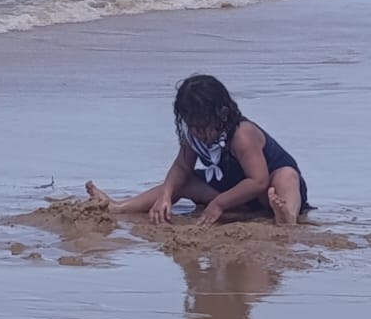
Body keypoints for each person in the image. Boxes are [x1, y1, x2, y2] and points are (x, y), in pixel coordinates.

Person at [84, 73, 307, 227]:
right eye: (192, 125)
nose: (198, 132)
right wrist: (166, 195)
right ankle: (118, 207)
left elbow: (258, 181)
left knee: (286, 175)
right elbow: (181, 167)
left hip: (266, 194)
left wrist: (219, 204)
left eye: (203, 125)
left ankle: (287, 215)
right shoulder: (193, 135)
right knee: (183, 182)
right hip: (234, 194)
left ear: (222, 113)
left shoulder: (242, 135)